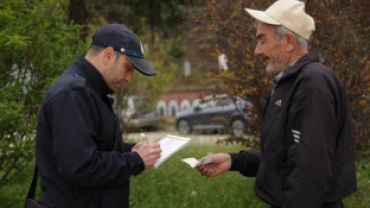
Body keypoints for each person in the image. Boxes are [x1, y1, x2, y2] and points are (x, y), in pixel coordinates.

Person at [196, 1, 357, 207]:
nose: (257, 51)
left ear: (289, 41)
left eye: (262, 41)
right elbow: (285, 155)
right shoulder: (292, 83)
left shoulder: (313, 84)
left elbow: (311, 171)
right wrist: (234, 161)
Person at [35, 24, 162, 208]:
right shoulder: (73, 94)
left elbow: (96, 147)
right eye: (128, 68)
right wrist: (135, 160)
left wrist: (130, 150)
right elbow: (82, 167)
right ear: (108, 55)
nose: (129, 79)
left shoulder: (91, 92)